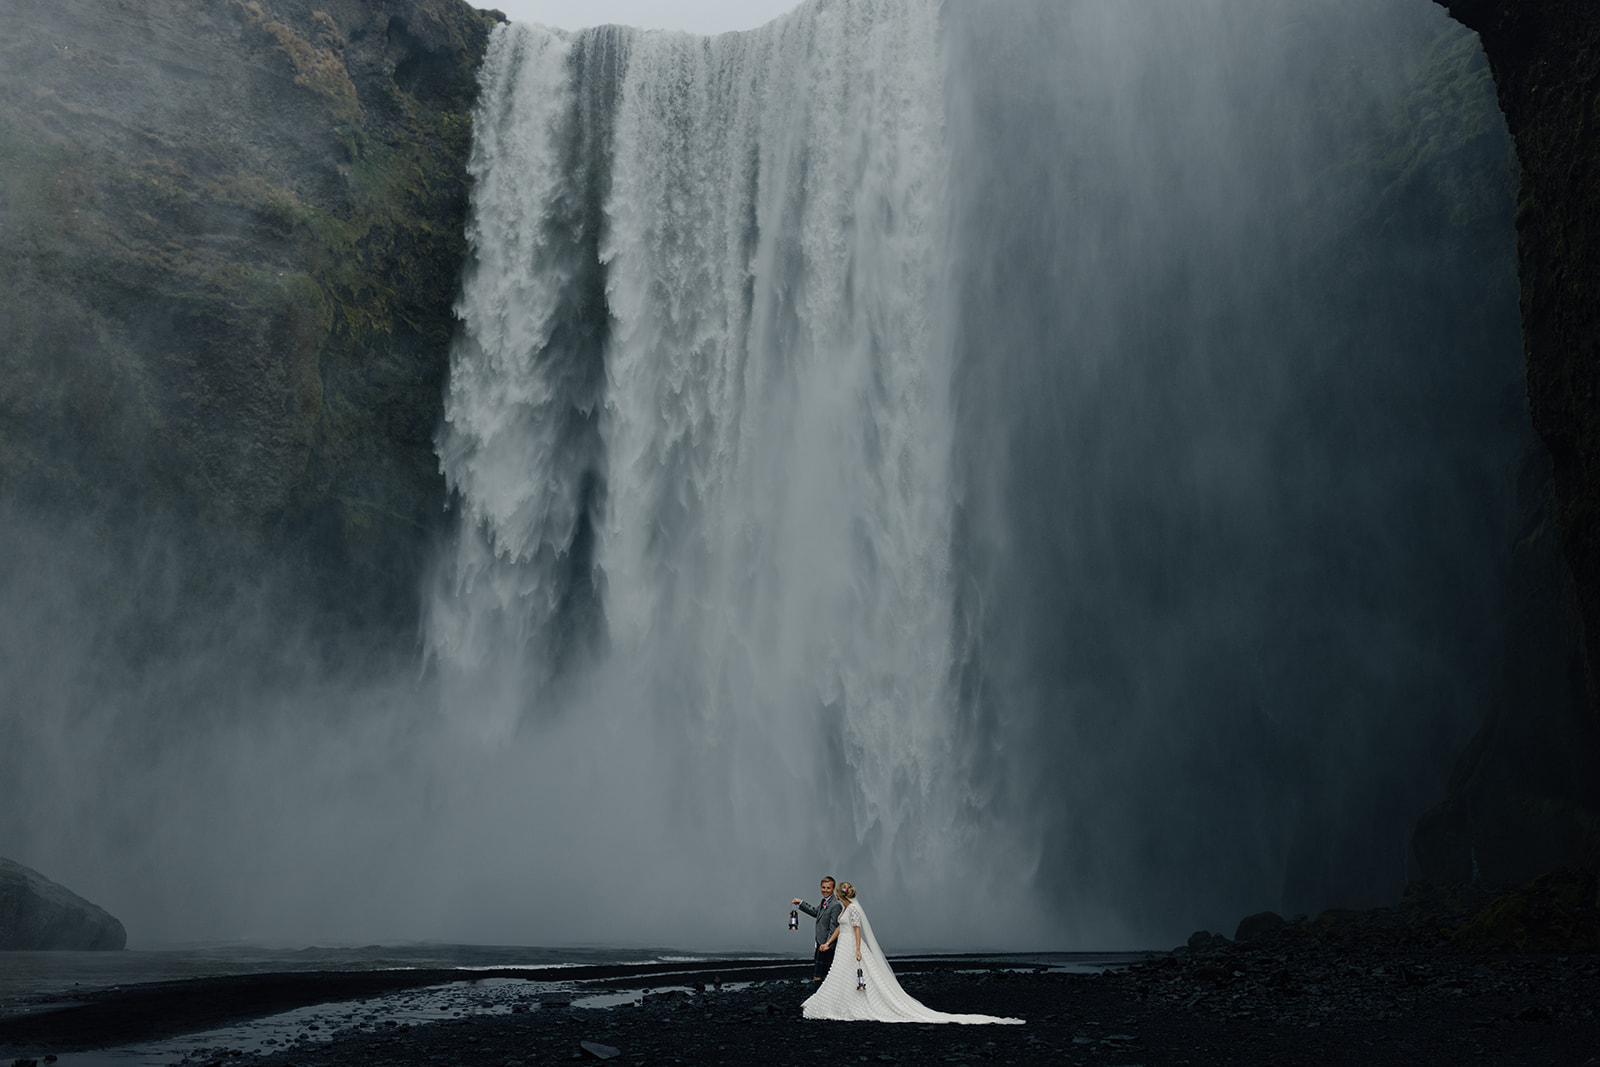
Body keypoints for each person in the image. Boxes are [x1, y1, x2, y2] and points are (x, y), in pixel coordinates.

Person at [801, 882, 1023, 1024]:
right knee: (840, 975)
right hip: (842, 947)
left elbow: (857, 930)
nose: (837, 895)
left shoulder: (854, 909)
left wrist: (859, 950)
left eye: (837, 892)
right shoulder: (846, 909)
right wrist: (828, 942)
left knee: (855, 974)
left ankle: (846, 1003)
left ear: (841, 894)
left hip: (852, 946)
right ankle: (836, 1001)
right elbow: (841, 927)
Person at [792, 876, 843, 983]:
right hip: (820, 944)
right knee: (820, 976)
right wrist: (801, 903)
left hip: (826, 946)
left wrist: (827, 944)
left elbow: (834, 928)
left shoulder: (836, 905)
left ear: (833, 889)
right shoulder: (825, 901)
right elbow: (816, 912)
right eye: (823, 887)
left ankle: (821, 998)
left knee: (821, 977)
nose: (825, 890)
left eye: (828, 888)